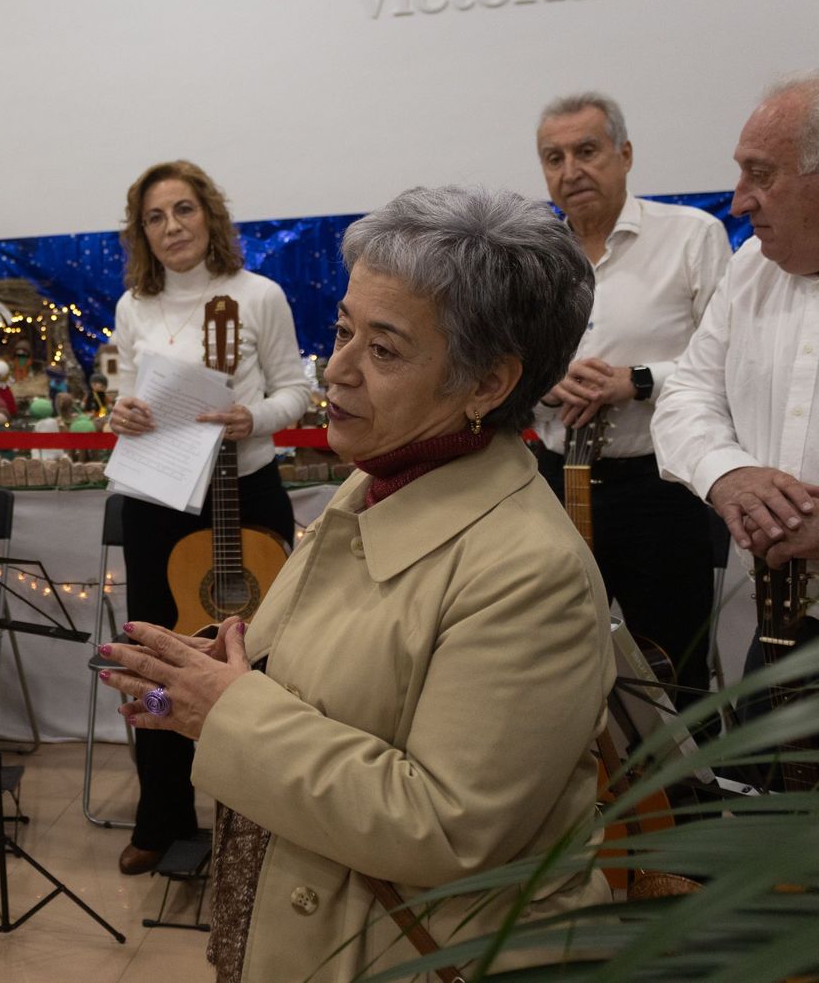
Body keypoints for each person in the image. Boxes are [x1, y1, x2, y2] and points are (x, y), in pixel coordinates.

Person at [102, 186, 614, 982]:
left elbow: (446, 828)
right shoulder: (375, 480)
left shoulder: (530, 572)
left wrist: (226, 709)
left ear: (487, 384)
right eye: (343, 332)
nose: (335, 371)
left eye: (384, 351)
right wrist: (218, 667)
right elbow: (344, 680)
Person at [106, 160, 313, 875]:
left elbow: (295, 391)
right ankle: (162, 817)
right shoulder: (134, 305)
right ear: (142, 233)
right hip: (159, 501)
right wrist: (122, 414)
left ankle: (268, 821)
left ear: (210, 215)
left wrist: (254, 416)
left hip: (245, 492)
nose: (172, 227)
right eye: (155, 217)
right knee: (156, 658)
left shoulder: (259, 295)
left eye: (184, 210)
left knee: (262, 654)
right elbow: (129, 396)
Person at [531, 92, 730, 695]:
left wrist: (637, 381)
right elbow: (503, 365)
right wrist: (545, 381)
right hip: (551, 485)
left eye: (587, 151)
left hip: (660, 490)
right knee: (557, 669)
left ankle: (685, 764)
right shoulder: (532, 256)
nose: (571, 171)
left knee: (672, 672)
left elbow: (729, 361)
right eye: (554, 158)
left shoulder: (692, 237)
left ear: (626, 154)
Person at [653, 73, 819, 697]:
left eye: (761, 174)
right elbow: (687, 396)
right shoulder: (750, 268)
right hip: (776, 626)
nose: (739, 201)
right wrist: (729, 475)